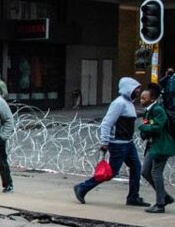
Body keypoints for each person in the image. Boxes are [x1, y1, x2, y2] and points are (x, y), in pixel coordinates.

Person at [74, 78, 147, 207]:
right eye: (137, 89)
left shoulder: (129, 103)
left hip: (128, 143)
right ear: (129, 88)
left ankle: (133, 197)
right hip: (118, 144)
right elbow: (107, 122)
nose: (139, 91)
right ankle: (82, 187)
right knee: (110, 172)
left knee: (136, 168)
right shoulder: (119, 103)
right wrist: (105, 141)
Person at [138, 84, 174, 213]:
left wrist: (142, 128)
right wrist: (144, 131)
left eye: (144, 98)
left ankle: (160, 204)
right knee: (145, 172)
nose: (141, 100)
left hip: (161, 147)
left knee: (155, 173)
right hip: (153, 146)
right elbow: (148, 126)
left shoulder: (158, 110)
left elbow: (157, 127)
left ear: (152, 99)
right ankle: (164, 197)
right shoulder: (149, 110)